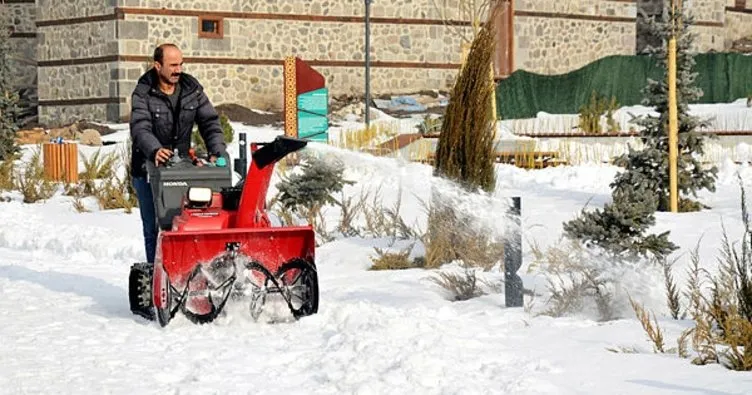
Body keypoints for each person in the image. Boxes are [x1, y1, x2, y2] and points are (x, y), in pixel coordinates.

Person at [129, 43, 227, 263]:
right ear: (157, 66)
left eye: (181, 64)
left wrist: (217, 151)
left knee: (188, 221)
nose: (178, 70)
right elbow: (140, 127)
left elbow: (210, 122)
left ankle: (186, 273)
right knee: (155, 226)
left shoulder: (192, 89)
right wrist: (154, 149)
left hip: (181, 169)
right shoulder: (143, 92)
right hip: (147, 170)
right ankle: (158, 277)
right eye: (172, 65)